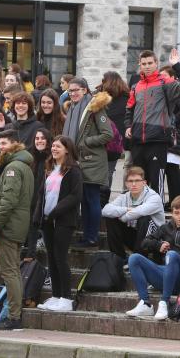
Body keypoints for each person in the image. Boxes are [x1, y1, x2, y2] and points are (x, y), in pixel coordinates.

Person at [125, 48, 180, 199]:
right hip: (137, 141)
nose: (147, 66)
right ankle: (139, 216)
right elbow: (129, 108)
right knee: (138, 182)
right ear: (139, 64)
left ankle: (157, 216)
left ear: (156, 63)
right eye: (144, 63)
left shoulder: (165, 82)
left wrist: (176, 65)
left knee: (157, 182)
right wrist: (128, 126)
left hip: (157, 140)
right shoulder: (136, 86)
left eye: (150, 63)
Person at [125, 196, 180, 321]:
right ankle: (145, 303)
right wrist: (158, 245)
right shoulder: (166, 227)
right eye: (176, 213)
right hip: (164, 275)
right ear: (172, 214)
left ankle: (164, 302)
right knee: (134, 258)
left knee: (172, 255)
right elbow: (145, 242)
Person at [0, 130, 34, 331]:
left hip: (9, 224)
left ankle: (14, 317)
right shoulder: (22, 165)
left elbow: (7, 201)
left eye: (5, 143)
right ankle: (14, 315)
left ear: (15, 144)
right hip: (18, 223)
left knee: (9, 272)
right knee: (13, 271)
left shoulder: (13, 168)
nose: (1, 147)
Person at [33, 136, 82, 312]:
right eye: (53, 146)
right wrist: (39, 216)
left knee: (61, 258)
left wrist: (55, 212)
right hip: (47, 220)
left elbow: (75, 196)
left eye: (58, 147)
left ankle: (66, 298)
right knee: (51, 258)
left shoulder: (73, 170)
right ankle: (55, 295)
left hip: (63, 220)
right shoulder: (50, 169)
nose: (54, 149)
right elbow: (42, 194)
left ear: (67, 150)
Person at [64, 78, 113, 249]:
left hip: (92, 162)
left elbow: (108, 134)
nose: (73, 94)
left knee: (91, 200)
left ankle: (92, 237)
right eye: (70, 91)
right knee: (84, 201)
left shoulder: (94, 108)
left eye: (76, 90)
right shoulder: (73, 108)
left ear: (85, 90)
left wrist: (85, 142)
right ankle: (86, 236)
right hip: (79, 161)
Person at [101, 166, 164, 260]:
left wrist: (123, 217)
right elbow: (105, 210)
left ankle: (138, 259)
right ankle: (118, 258)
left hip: (154, 241)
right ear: (126, 183)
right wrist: (126, 209)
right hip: (136, 238)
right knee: (111, 218)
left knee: (144, 218)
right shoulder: (124, 196)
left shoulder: (154, 197)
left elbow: (140, 211)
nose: (134, 184)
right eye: (130, 181)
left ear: (144, 183)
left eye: (137, 180)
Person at [160, 65, 180, 209]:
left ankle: (177, 202)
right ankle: (173, 201)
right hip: (166, 137)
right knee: (168, 170)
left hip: (173, 138)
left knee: (172, 171)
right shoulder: (165, 91)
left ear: (173, 78)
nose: (161, 79)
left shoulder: (176, 90)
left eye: (164, 76)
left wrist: (172, 121)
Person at [98, 71, 129, 201]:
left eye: (104, 81)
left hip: (105, 140)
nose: (102, 83)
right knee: (109, 171)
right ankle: (104, 199)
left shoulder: (104, 98)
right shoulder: (127, 97)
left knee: (102, 170)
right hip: (117, 141)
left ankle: (102, 198)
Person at [23, 128, 53, 260]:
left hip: (48, 198)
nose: (39, 141)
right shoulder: (30, 157)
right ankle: (31, 253)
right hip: (32, 197)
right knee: (31, 224)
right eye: (37, 138)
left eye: (42, 138)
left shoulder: (52, 157)